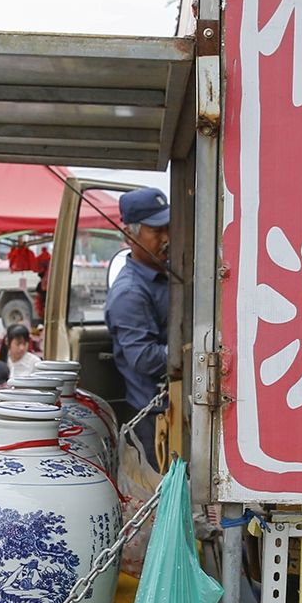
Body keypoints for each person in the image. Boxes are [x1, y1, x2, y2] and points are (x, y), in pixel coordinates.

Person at [105, 187, 171, 467]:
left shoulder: (166, 274)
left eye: (169, 228)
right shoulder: (130, 292)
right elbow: (144, 358)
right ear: (130, 235)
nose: (167, 238)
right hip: (153, 414)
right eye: (156, 231)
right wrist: (195, 353)